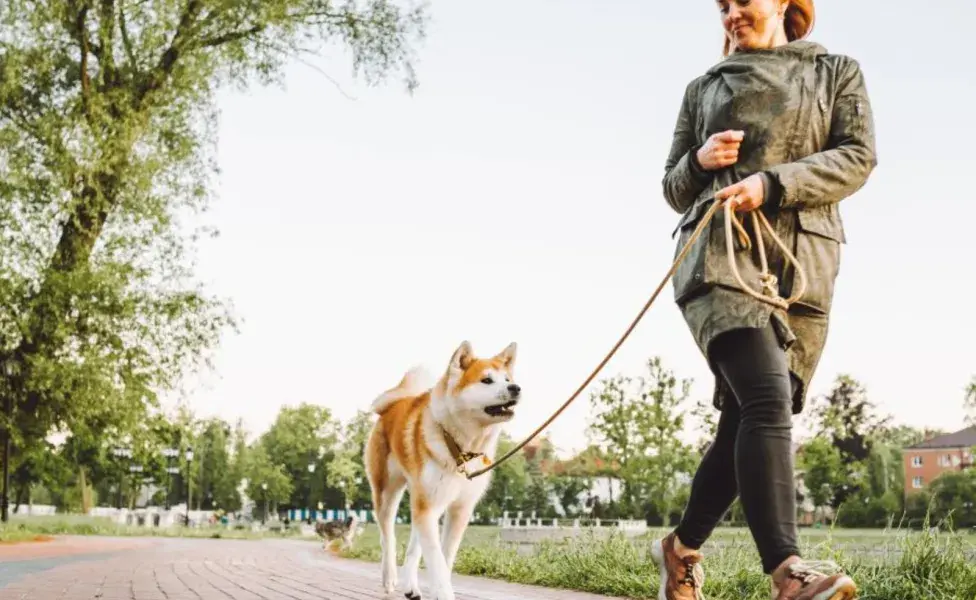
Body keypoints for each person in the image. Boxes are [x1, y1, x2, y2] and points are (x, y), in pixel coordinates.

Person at [649, 1, 877, 599]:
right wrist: (700, 163)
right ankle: (788, 571)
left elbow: (857, 157)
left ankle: (680, 548)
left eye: (741, 1)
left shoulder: (837, 73)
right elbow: (673, 186)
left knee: (746, 419)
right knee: (767, 398)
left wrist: (773, 182)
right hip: (719, 255)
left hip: (803, 266)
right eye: (720, 6)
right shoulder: (703, 89)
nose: (730, 14)